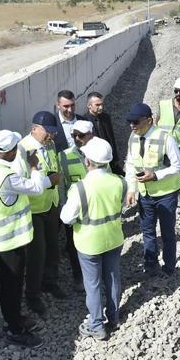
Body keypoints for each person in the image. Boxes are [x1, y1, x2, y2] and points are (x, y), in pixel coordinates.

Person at [0, 130, 49, 348]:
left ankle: (14, 318)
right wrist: (34, 166)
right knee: (12, 286)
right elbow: (36, 187)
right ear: (10, 151)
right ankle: (14, 329)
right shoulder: (7, 177)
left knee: (8, 283)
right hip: (11, 241)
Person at [60, 137, 126, 340]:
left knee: (93, 283)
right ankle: (114, 317)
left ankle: (96, 325)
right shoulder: (120, 182)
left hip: (89, 243)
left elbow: (66, 218)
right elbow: (121, 205)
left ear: (87, 161)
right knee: (113, 277)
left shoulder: (80, 188)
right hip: (114, 238)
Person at [14, 111, 65, 314]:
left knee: (53, 248)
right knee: (37, 254)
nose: (51, 136)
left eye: (53, 133)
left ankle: (49, 282)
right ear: (34, 128)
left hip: (50, 204)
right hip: (33, 209)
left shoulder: (49, 145)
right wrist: (47, 181)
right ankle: (33, 295)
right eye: (47, 132)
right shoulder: (22, 150)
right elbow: (21, 182)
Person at [125, 103, 180, 275]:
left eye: (135, 122)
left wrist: (156, 175)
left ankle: (169, 267)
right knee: (148, 231)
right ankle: (150, 266)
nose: (132, 126)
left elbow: (178, 166)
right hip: (145, 194)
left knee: (167, 233)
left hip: (166, 195)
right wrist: (131, 189)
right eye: (130, 122)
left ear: (149, 121)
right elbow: (130, 164)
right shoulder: (133, 137)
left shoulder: (166, 138)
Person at [58, 120, 95, 292]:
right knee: (74, 245)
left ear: (91, 135)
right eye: (74, 135)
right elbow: (61, 187)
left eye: (81, 135)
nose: (77, 139)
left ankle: (94, 276)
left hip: (95, 209)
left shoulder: (99, 153)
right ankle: (78, 277)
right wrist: (64, 210)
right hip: (74, 210)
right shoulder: (63, 156)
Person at [83, 91, 124, 176]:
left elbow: (111, 138)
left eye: (102, 104)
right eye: (97, 105)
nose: (101, 107)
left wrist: (115, 158)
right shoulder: (85, 121)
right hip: (96, 162)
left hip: (110, 159)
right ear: (89, 106)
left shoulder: (106, 117)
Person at [157, 77, 180, 161]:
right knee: (159, 171)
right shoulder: (163, 104)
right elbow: (157, 122)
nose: (178, 93)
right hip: (162, 145)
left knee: (176, 173)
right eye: (176, 91)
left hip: (178, 147)